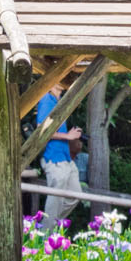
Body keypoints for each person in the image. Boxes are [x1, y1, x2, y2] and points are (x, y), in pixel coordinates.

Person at [36, 83, 83, 227]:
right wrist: (68, 136)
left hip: (66, 157)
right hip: (54, 158)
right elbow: (41, 130)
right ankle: (45, 234)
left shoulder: (59, 100)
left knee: (76, 195)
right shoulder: (46, 99)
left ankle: (48, 224)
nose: (64, 80)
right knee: (54, 200)